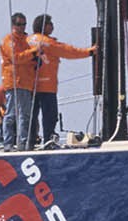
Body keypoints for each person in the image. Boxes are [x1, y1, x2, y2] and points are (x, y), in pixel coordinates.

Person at [22, 14, 96, 149]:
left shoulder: (27, 40)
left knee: (30, 116)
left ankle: (29, 142)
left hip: (29, 85)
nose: (53, 26)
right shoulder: (47, 42)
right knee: (50, 116)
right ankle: (48, 141)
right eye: (50, 23)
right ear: (44, 26)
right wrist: (89, 52)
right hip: (46, 86)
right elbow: (68, 51)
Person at [0, 12, 29, 150]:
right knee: (11, 114)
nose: (22, 27)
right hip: (13, 82)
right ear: (13, 25)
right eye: (18, 24)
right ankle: (8, 143)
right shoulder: (8, 40)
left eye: (24, 24)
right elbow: (17, 57)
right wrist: (33, 53)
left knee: (25, 115)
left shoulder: (27, 40)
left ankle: (23, 143)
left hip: (26, 81)